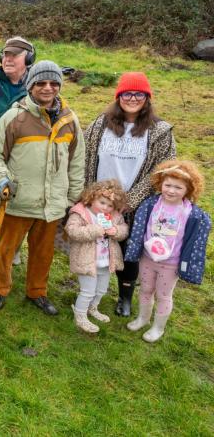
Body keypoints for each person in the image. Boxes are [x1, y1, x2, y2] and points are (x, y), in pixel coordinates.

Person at [0, 60, 84, 316]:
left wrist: (72, 199)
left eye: (53, 83)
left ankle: (37, 291)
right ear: (31, 85)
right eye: (40, 83)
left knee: (43, 252)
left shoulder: (70, 121)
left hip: (53, 203)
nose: (47, 88)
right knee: (5, 249)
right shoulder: (15, 116)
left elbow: (77, 161)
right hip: (18, 199)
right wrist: (2, 179)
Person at [83, 72, 176, 317]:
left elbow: (162, 170)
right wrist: (89, 196)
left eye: (138, 94)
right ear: (118, 96)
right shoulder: (100, 124)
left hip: (132, 205)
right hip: (98, 202)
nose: (132, 98)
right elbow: (85, 156)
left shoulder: (159, 131)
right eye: (127, 93)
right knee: (95, 245)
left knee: (129, 252)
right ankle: (89, 290)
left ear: (147, 98)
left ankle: (125, 297)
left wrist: (130, 200)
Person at [124, 160, 210, 342]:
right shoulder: (151, 205)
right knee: (146, 289)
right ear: (160, 183)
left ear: (189, 189)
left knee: (163, 295)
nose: (171, 190)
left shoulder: (190, 213)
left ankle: (158, 327)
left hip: (170, 264)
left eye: (178, 187)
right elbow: (140, 228)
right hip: (147, 258)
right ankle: (143, 318)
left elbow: (194, 240)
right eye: (168, 185)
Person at [0, 36, 37, 266]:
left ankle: (13, 248)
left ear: (28, 59)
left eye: (14, 55)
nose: (8, 59)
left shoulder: (36, 85)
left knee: (17, 200)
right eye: (5, 54)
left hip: (22, 151)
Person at [65, 180, 129, 333]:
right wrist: (94, 230)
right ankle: (80, 315)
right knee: (88, 291)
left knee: (101, 290)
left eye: (110, 205)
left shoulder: (113, 216)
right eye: (102, 203)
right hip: (87, 260)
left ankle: (92, 308)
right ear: (92, 197)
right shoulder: (80, 213)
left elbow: (124, 229)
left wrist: (116, 230)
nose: (105, 208)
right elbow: (72, 231)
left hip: (105, 261)